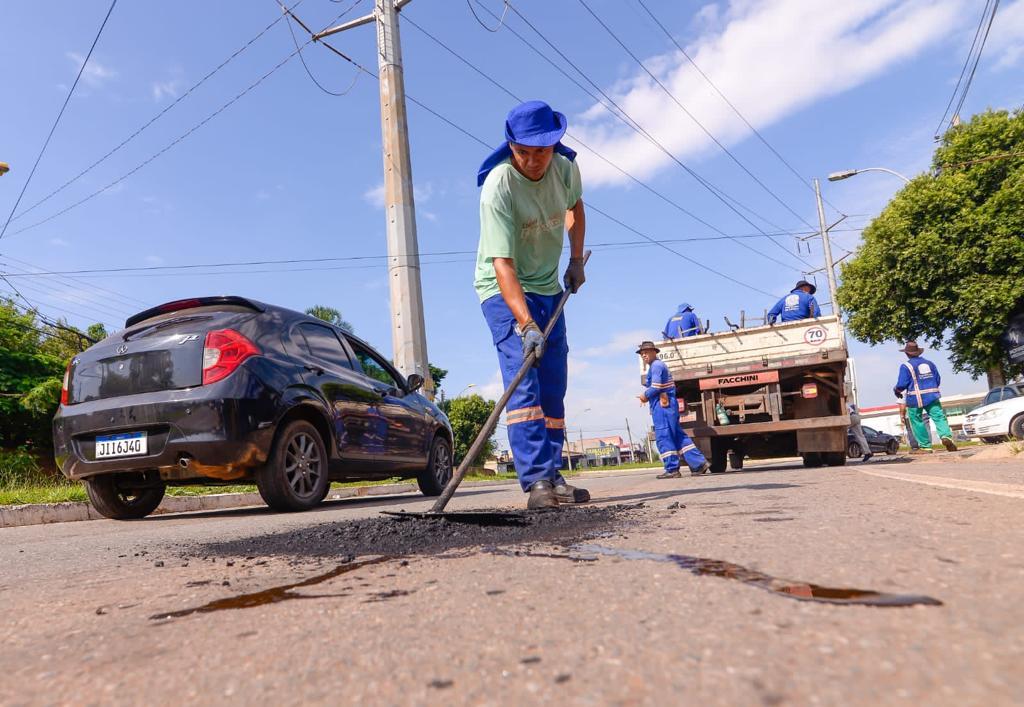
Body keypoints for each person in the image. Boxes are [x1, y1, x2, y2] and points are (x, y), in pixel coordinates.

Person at [475, 100, 590, 510]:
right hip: (502, 290)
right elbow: (502, 264)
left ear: (554, 144)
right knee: (524, 381)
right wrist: (524, 324)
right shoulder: (499, 187)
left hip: (546, 286)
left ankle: (553, 474)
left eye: (540, 151)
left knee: (553, 383)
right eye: (523, 151)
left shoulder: (565, 168)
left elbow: (575, 206)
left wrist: (575, 261)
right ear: (511, 147)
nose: (533, 160)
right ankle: (536, 481)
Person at [636, 341, 710, 478]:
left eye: (646, 352)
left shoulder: (656, 366)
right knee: (677, 436)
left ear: (654, 352)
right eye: (642, 353)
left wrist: (644, 396)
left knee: (664, 436)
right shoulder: (656, 366)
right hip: (668, 405)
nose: (644, 355)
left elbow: (656, 387)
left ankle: (672, 469)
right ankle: (699, 464)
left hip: (662, 406)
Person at [893, 341, 957, 452]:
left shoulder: (906, 366)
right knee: (939, 417)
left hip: (915, 398)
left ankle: (925, 446)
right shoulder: (930, 363)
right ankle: (946, 436)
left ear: (907, 354)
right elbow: (937, 379)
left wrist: (897, 390)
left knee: (916, 420)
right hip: (932, 395)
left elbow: (902, 384)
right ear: (918, 352)